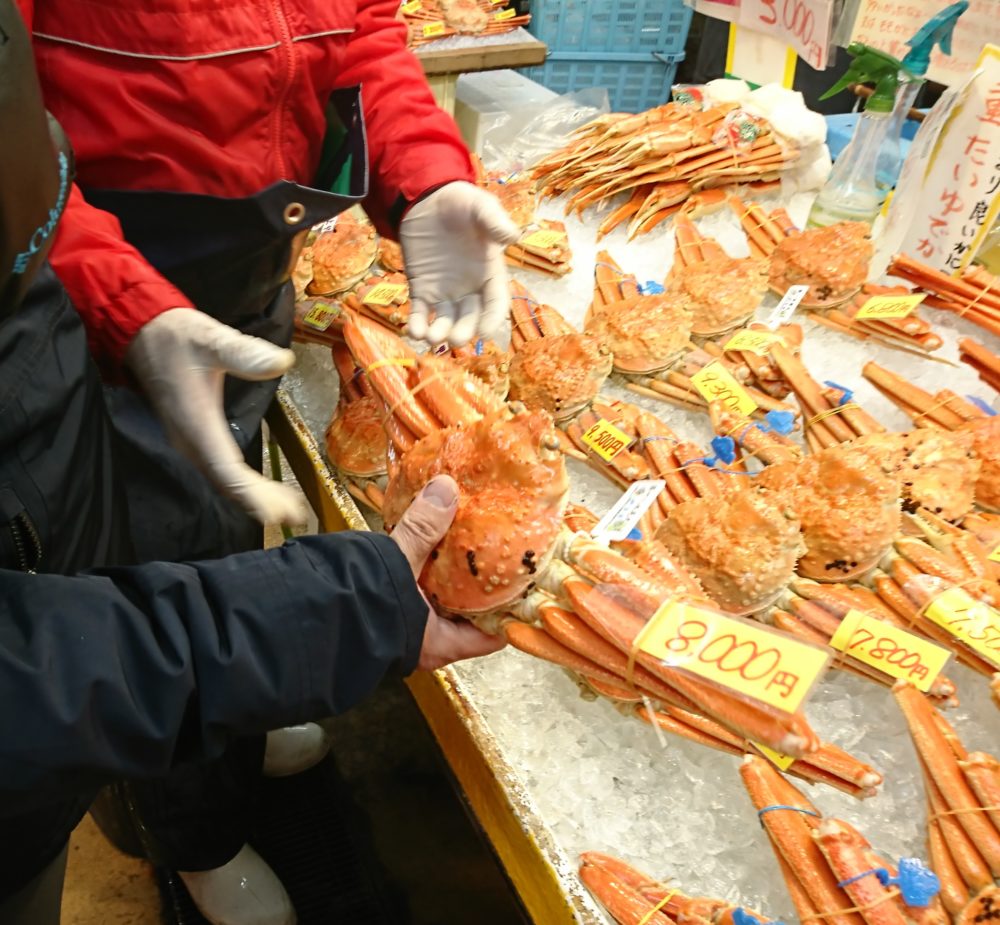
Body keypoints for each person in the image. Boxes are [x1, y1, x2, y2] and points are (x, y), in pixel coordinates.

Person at [0, 3, 506, 923]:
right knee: (139, 575)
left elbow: (364, 28)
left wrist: (425, 173)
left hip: (254, 263)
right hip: (94, 276)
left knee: (228, 523)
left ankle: (239, 712)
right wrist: (126, 302)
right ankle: (193, 836)